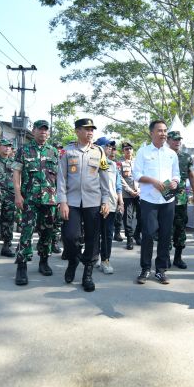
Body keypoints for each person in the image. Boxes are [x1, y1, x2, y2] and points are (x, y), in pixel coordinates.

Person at [57, 119, 110, 292]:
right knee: (70, 236)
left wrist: (105, 200)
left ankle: (87, 272)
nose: (90, 132)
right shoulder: (67, 151)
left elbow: (104, 177)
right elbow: (61, 178)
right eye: (86, 129)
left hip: (93, 201)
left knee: (93, 239)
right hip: (71, 201)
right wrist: (62, 201)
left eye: (92, 130)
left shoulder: (99, 151)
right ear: (77, 131)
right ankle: (73, 260)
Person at [12, 120, 60, 285]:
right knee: (26, 231)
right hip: (30, 199)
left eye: (46, 130)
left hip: (50, 200)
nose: (43, 133)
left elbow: (59, 177)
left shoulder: (54, 151)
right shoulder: (23, 150)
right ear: (33, 131)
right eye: (40, 130)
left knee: (47, 232)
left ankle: (44, 261)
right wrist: (18, 194)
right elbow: (16, 173)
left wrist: (60, 198)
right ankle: (22, 266)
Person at [133, 120, 179, 285]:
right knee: (148, 234)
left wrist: (174, 182)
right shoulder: (143, 152)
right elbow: (137, 175)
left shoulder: (172, 154)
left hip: (168, 199)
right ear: (151, 133)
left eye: (165, 130)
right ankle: (145, 268)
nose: (163, 134)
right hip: (149, 200)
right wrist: (152, 181)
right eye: (159, 131)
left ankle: (161, 270)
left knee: (166, 235)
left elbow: (177, 175)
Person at [167, 131, 194, 269]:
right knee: (166, 227)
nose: (177, 142)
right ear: (168, 140)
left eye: (179, 139)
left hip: (181, 196)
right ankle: (165, 256)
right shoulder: (164, 155)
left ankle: (178, 258)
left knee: (180, 227)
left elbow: (192, 176)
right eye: (174, 139)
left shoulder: (186, 157)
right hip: (165, 195)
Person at [95, 136, 123, 275]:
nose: (109, 148)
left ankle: (105, 259)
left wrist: (121, 201)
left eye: (110, 146)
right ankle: (94, 257)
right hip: (93, 203)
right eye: (107, 145)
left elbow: (118, 185)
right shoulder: (91, 162)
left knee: (107, 234)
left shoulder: (113, 165)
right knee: (94, 233)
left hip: (110, 204)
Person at [119, 142, 141, 249]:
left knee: (142, 216)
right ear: (123, 151)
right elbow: (120, 179)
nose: (128, 151)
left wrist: (139, 189)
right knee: (128, 217)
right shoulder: (120, 163)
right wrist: (130, 190)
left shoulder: (138, 162)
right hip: (127, 194)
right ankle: (129, 238)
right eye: (126, 149)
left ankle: (137, 234)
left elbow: (142, 175)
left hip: (139, 193)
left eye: (130, 149)